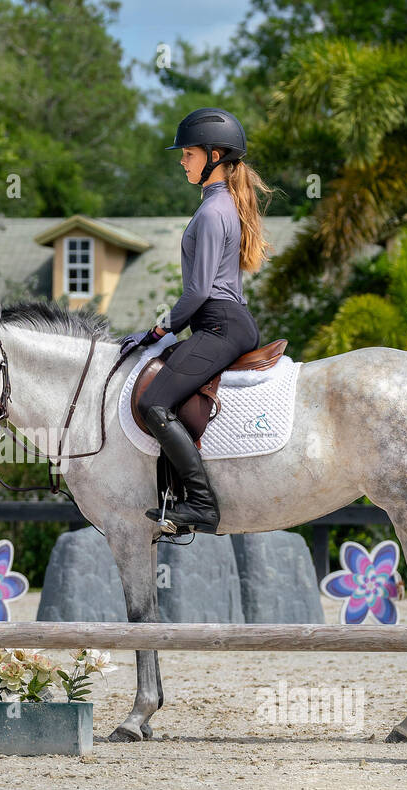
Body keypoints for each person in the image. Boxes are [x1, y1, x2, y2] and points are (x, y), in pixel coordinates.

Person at [118, 107, 272, 534]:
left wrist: (157, 329)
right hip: (226, 322)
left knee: (152, 402)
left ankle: (201, 503)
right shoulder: (223, 206)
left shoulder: (210, 213)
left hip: (219, 323)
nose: (182, 161)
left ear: (215, 155)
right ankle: (173, 497)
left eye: (188, 153)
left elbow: (198, 292)